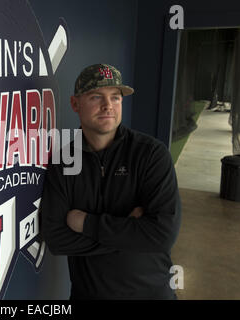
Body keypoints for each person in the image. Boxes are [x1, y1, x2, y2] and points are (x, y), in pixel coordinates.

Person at [40, 63, 181, 300]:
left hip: (151, 294)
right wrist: (130, 230)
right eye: (96, 96)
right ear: (75, 104)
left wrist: (85, 223)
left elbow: (163, 234)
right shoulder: (64, 160)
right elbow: (56, 239)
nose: (108, 106)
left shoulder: (150, 154)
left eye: (115, 98)